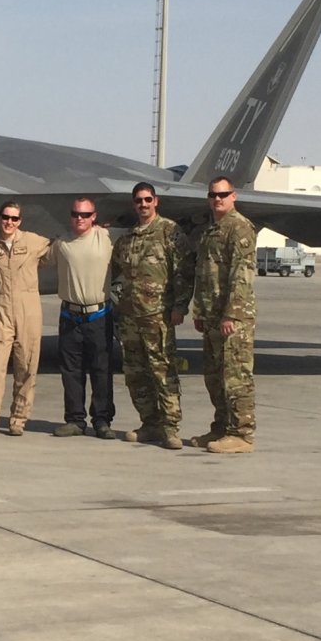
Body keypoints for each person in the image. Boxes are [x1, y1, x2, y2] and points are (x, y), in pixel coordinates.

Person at [110, 183, 193, 450]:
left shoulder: (170, 232)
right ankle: (149, 423)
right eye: (138, 201)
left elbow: (183, 271)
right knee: (135, 372)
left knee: (163, 370)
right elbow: (117, 275)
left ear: (155, 201)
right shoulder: (127, 239)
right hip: (130, 317)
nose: (143, 205)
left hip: (158, 316)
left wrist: (180, 306)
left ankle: (170, 427)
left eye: (147, 200)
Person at [191, 176, 258, 454]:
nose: (217, 199)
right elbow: (205, 275)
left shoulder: (239, 229)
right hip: (212, 316)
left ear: (234, 197)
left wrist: (231, 314)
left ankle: (241, 434)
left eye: (223, 194)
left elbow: (241, 277)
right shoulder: (212, 231)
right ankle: (221, 427)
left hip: (233, 319)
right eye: (213, 195)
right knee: (214, 376)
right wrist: (201, 311)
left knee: (235, 375)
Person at [0, 199, 51, 438]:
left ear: (20, 221)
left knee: (26, 367)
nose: (9, 222)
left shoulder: (34, 242)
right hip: (0, 314)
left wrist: (99, 230)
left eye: (14, 218)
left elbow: (62, 248)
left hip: (28, 313)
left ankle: (18, 419)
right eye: (5, 217)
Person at [49, 197, 115, 439]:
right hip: (70, 316)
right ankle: (75, 420)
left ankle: (102, 420)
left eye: (85, 214)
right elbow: (37, 260)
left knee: (101, 369)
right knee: (71, 371)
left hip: (99, 315)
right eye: (76, 213)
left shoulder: (106, 238)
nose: (80, 218)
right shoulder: (61, 243)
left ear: (94, 216)